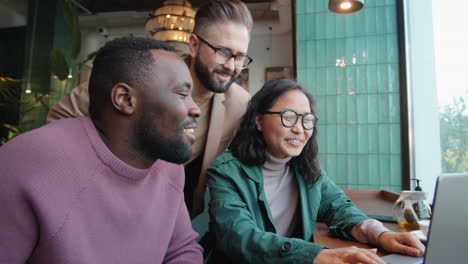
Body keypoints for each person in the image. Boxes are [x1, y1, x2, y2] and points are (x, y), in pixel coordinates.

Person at [0, 37, 203, 263]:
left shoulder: (169, 168)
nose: (195, 110)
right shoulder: (27, 160)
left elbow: (182, 250)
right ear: (125, 99)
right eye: (182, 95)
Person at [46, 0, 253, 218]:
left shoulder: (240, 104)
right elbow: (62, 115)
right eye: (223, 51)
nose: (231, 66)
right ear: (194, 45)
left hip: (167, 213)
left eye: (240, 56)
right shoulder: (147, 73)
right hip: (99, 203)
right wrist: (98, 175)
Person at [202, 78, 425, 263]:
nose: (300, 129)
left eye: (307, 119)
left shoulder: (304, 167)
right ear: (259, 121)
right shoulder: (226, 172)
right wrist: (315, 255)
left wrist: (380, 234)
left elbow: (338, 207)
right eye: (288, 117)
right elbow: (239, 237)